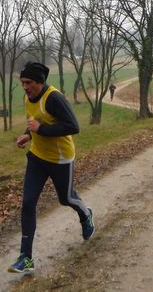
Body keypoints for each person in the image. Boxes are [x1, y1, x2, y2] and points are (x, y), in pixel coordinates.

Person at [8, 62, 95, 273]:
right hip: (37, 157)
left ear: (39, 82)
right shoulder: (27, 98)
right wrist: (27, 135)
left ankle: (86, 215)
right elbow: (34, 122)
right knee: (28, 202)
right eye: (22, 83)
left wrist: (41, 129)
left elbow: (73, 126)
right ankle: (26, 257)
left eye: (28, 83)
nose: (25, 87)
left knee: (66, 199)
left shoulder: (54, 98)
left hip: (61, 159)